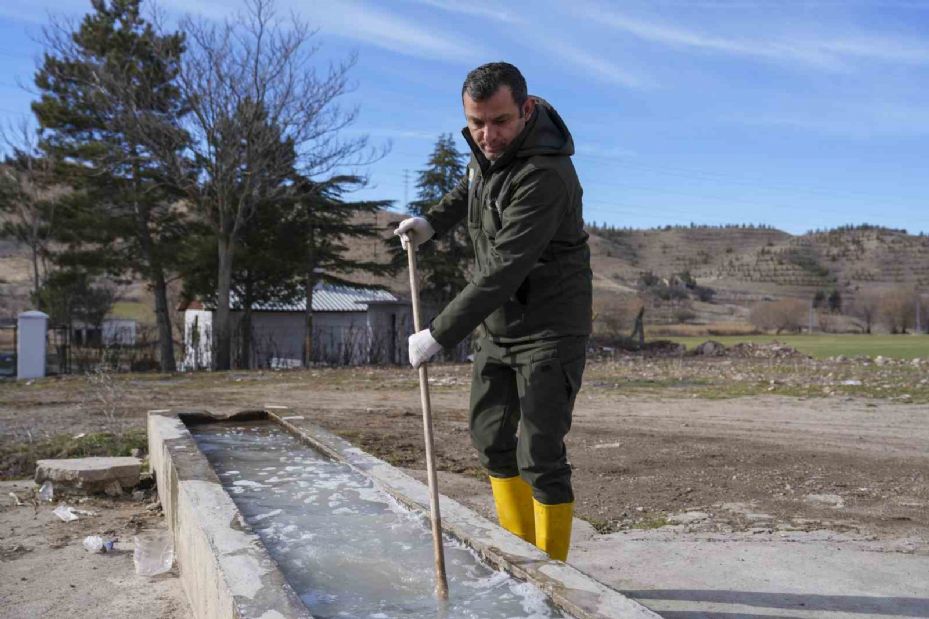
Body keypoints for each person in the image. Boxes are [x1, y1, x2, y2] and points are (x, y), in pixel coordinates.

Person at [394, 62, 592, 561]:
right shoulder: (488, 152)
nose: (487, 134)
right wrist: (430, 223)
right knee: (489, 439)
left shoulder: (545, 173)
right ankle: (521, 556)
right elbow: (471, 189)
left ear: (526, 110)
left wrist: (438, 333)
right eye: (476, 122)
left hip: (549, 327)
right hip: (499, 325)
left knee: (540, 454)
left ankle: (554, 575)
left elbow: (505, 266)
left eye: (499, 121)